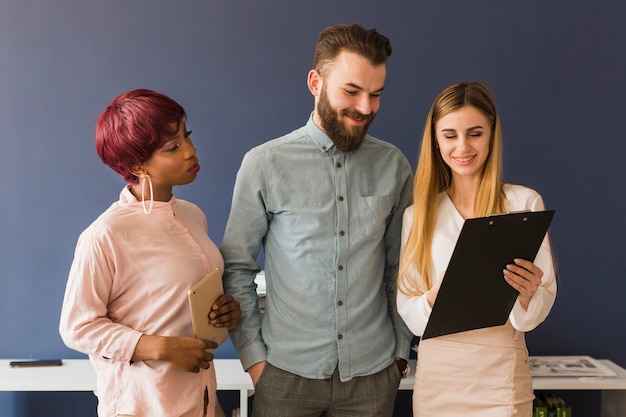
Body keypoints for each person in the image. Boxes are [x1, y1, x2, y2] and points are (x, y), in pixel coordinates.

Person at [220, 23, 414, 416]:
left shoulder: (394, 166)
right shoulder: (265, 164)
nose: (365, 107)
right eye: (352, 91)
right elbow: (237, 268)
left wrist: (398, 355)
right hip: (284, 376)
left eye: (376, 95)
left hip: (373, 377)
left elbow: (402, 268)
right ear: (315, 82)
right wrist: (256, 362)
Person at [59, 89, 241, 417]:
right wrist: (161, 348)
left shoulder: (192, 214)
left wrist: (223, 311)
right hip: (145, 405)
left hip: (203, 400)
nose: (191, 151)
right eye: (173, 147)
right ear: (136, 165)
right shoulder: (105, 234)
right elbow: (77, 327)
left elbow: (176, 299)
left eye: (187, 137)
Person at [397, 81, 557, 416]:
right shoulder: (419, 215)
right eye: (450, 135)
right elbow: (408, 310)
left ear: (492, 135)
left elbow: (539, 302)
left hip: (501, 379)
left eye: (475, 133)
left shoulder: (523, 204)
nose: (463, 146)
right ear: (436, 140)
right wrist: (432, 298)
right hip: (438, 381)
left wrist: (527, 294)